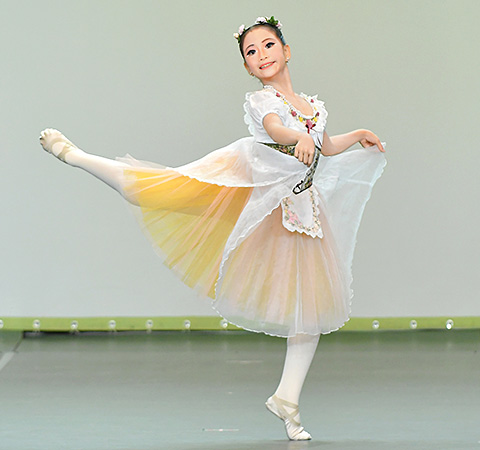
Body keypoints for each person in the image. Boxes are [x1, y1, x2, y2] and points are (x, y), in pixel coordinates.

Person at [39, 16, 386, 441]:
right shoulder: (263, 101)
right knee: (158, 190)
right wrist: (296, 137)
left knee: (309, 308)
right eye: (251, 52)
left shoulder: (313, 105)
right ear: (247, 67)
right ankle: (77, 156)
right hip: (244, 183)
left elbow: (325, 145)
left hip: (294, 208)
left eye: (268, 45)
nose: (261, 55)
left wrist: (358, 134)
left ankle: (287, 400)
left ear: (286, 50)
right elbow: (276, 128)